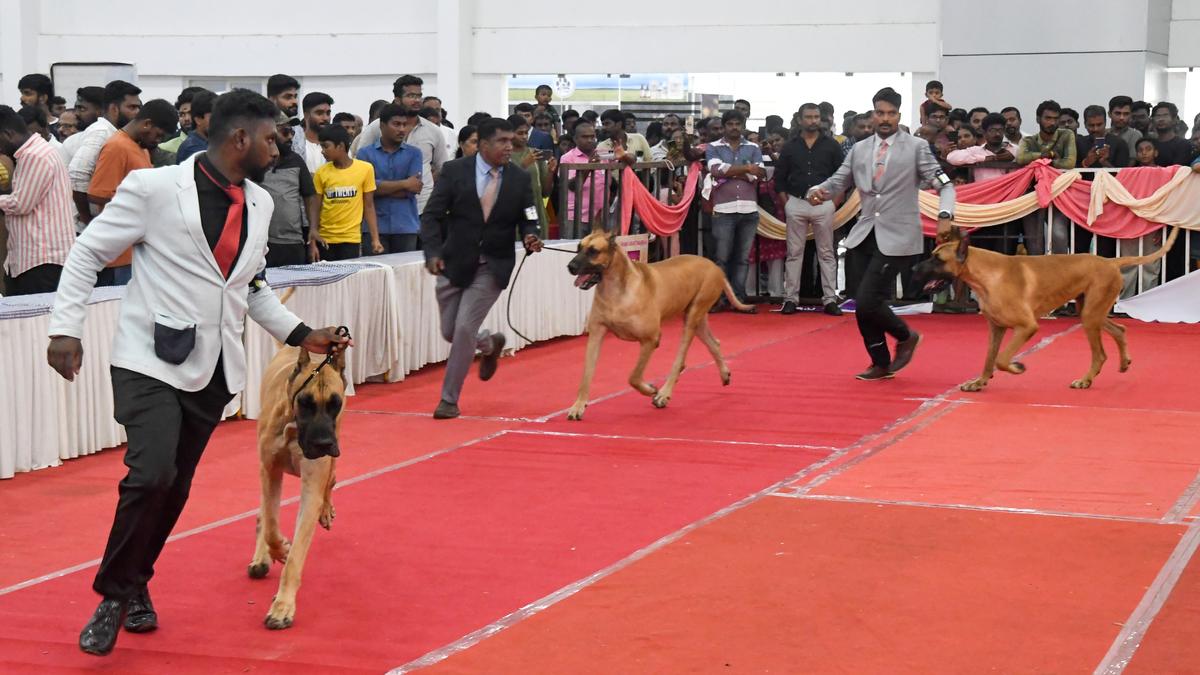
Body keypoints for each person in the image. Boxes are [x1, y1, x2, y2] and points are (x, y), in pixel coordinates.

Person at [46, 89, 350, 657]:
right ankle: (114, 595)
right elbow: (87, 253)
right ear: (240, 139)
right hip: (147, 359)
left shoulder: (258, 203)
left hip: (213, 371)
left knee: (176, 487)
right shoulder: (155, 188)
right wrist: (65, 328)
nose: (278, 145)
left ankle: (137, 583)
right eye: (270, 137)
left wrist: (302, 333)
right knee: (151, 475)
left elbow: (252, 288)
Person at [807, 87, 955, 381]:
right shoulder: (859, 149)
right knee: (860, 303)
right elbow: (837, 181)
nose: (885, 119)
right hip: (864, 233)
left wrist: (944, 216)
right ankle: (880, 362)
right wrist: (817, 192)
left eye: (891, 113)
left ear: (899, 115)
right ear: (872, 114)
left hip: (899, 236)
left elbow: (945, 185)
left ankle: (905, 336)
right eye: (880, 113)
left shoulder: (916, 147)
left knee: (867, 300)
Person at [419, 118, 543, 419]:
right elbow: (431, 216)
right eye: (502, 141)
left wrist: (531, 233)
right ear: (483, 143)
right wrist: (433, 252)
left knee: (463, 329)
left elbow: (528, 214)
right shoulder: (454, 171)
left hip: (493, 264)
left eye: (511, 141)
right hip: (453, 262)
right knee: (451, 331)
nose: (509, 147)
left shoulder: (519, 177)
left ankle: (449, 399)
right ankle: (489, 344)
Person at [88, 100, 179, 286]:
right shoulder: (117, 146)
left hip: (136, 251)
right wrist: (139, 202)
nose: (158, 141)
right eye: (158, 135)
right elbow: (97, 194)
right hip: (117, 256)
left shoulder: (141, 149)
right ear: (146, 124)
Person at [773, 102, 844, 316]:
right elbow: (780, 179)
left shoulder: (831, 145)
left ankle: (830, 299)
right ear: (800, 119)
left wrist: (835, 202)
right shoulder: (790, 146)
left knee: (827, 253)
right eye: (809, 117)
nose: (813, 121)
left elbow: (842, 177)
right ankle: (790, 299)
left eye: (816, 117)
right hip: (796, 202)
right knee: (794, 253)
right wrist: (788, 203)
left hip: (824, 204)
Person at [0, 105, 75, 295]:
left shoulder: (34, 156)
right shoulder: (35, 152)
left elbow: (20, 204)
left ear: (7, 134)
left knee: (37, 323)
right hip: (34, 258)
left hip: (41, 259)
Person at [350, 75, 448, 214]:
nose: (417, 100)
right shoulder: (377, 127)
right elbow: (360, 165)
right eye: (411, 96)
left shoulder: (433, 131)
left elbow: (442, 166)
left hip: (423, 208)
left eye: (419, 96)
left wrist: (424, 182)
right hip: (381, 207)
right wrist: (395, 187)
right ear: (397, 99)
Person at [705, 109, 764, 312]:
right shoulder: (713, 147)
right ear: (724, 126)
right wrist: (746, 169)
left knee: (742, 258)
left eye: (737, 124)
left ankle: (738, 298)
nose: (734, 127)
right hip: (723, 209)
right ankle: (718, 298)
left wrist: (730, 172)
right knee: (721, 257)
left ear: (743, 125)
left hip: (749, 209)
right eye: (730, 124)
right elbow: (715, 170)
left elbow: (760, 175)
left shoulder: (754, 147)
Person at [68, 80, 141, 232]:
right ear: (114, 109)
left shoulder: (116, 133)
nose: (137, 113)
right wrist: (88, 220)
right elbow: (77, 175)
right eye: (132, 107)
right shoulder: (101, 132)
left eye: (139, 107)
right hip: (84, 226)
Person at [308, 124, 383, 261]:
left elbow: (369, 206)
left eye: (326, 146)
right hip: (325, 239)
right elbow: (315, 206)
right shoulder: (321, 172)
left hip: (351, 239)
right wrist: (313, 234)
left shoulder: (365, 169)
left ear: (340, 146)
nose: (322, 151)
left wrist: (375, 239)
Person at [355, 104, 423, 253]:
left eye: (405, 125)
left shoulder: (415, 153)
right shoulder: (364, 154)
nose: (402, 129)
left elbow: (413, 189)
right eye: (396, 124)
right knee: (375, 275)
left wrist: (377, 187)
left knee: (405, 276)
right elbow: (366, 191)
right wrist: (405, 183)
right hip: (374, 229)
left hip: (406, 226)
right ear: (382, 126)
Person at [1016, 100, 1076, 254]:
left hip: (1060, 193)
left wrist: (1041, 161)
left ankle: (1061, 275)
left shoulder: (1066, 134)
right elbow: (1021, 158)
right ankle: (1039, 277)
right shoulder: (1028, 140)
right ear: (1038, 119)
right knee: (1034, 241)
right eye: (1048, 118)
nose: (1052, 122)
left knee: (1058, 235)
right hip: (1031, 194)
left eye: (1055, 119)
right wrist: (1047, 156)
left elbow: (1069, 163)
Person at [260, 112, 316, 267]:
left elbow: (310, 196)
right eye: (285, 132)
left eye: (291, 132)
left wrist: (313, 231)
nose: (290, 137)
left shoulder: (295, 160)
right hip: (263, 243)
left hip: (293, 242)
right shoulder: (256, 161)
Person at [507, 113, 554, 238]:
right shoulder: (503, 155)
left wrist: (550, 171)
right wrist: (523, 164)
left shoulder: (535, 153)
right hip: (513, 210)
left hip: (535, 208)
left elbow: (545, 192)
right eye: (519, 133)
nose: (524, 137)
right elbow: (503, 184)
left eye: (526, 133)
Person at [175, 90, 215, 163]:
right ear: (198, 120)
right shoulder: (193, 148)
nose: (218, 122)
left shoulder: (207, 143)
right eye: (213, 117)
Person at [299, 91, 332, 174]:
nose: (325, 118)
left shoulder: (338, 144)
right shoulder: (295, 145)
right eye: (319, 113)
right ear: (306, 115)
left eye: (328, 113)